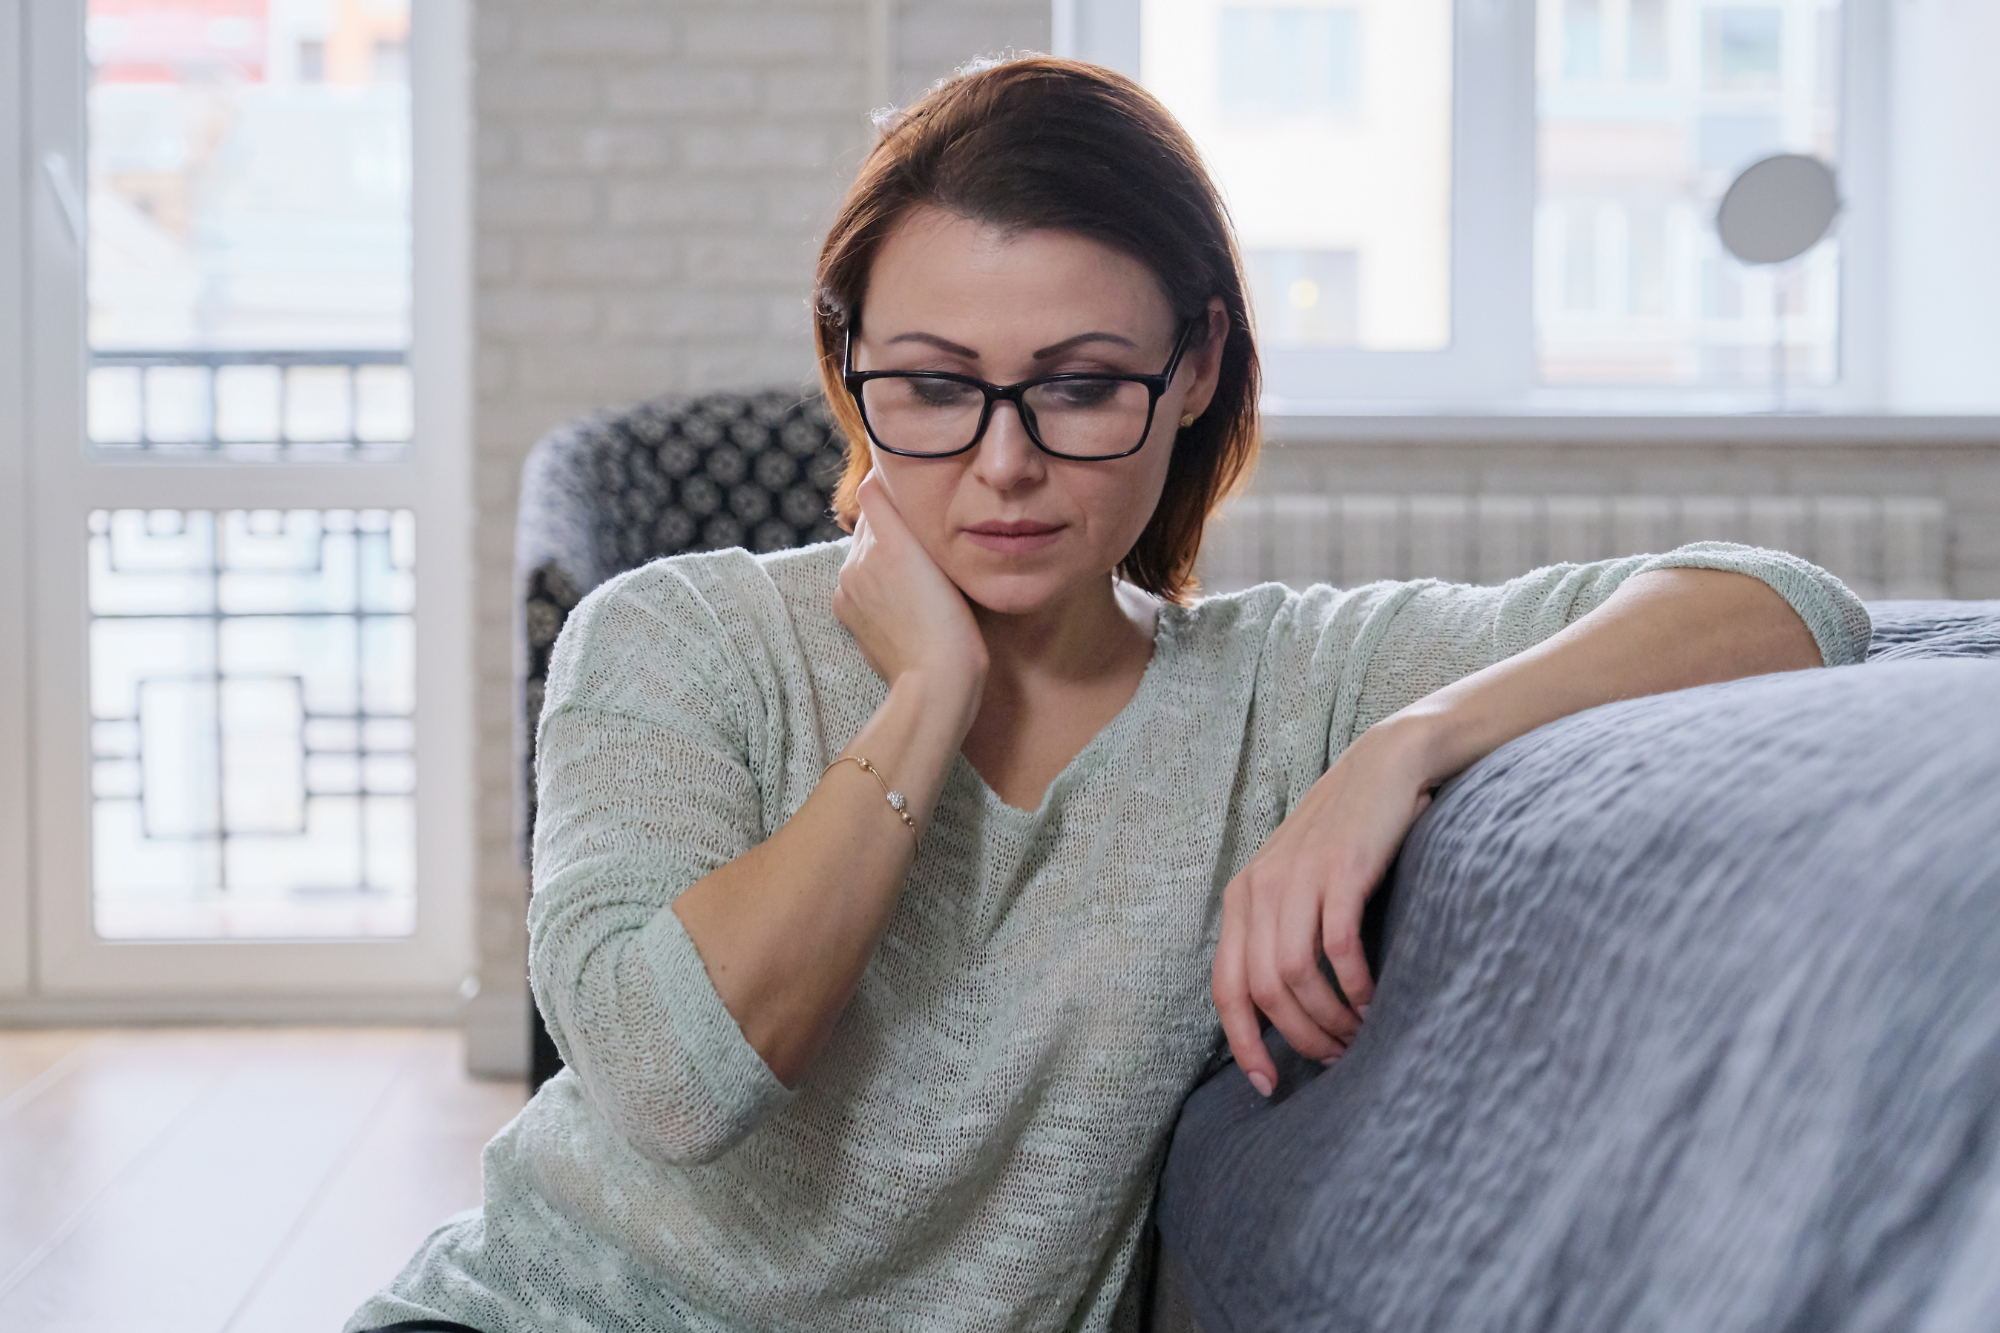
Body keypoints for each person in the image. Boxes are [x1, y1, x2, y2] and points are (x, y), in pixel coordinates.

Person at [349, 56, 1869, 1333]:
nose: (1004, 465)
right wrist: (929, 693)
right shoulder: (672, 639)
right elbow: (677, 1087)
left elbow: (1783, 604)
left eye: (1079, 384)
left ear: (1195, 365)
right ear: (849, 359)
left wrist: (1408, 746)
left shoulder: (1286, 688)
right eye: (936, 387)